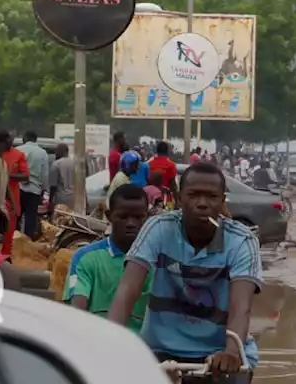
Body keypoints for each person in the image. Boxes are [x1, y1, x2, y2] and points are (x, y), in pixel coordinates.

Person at [109, 162, 263, 381]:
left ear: (222, 201)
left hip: (219, 355)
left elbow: (242, 307)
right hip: (160, 352)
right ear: (179, 198)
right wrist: (108, 341)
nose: (202, 204)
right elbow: (127, 290)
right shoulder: (158, 228)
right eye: (193, 195)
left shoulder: (242, 241)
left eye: (211, 197)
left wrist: (231, 351)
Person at [66, 183, 153, 332]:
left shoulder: (157, 261)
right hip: (97, 343)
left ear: (149, 217)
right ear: (109, 216)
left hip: (144, 349)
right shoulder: (85, 258)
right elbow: (77, 310)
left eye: (138, 217)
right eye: (123, 217)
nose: (131, 223)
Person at [16, 131, 51, 240]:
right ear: (36, 139)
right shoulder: (42, 153)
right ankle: (27, 241)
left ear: (24, 138)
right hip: (34, 189)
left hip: (17, 188)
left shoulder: (17, 150)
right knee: (30, 218)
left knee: (16, 216)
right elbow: (44, 174)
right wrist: (44, 189)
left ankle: (14, 240)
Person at [147, 140, 179, 206]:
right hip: (166, 199)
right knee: (169, 214)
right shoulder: (171, 165)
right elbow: (173, 185)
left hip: (151, 198)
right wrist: (177, 202)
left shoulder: (149, 164)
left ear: (157, 151)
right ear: (167, 151)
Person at [48, 142, 76, 213]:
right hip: (74, 198)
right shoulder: (74, 164)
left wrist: (50, 201)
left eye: (56, 151)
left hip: (61, 198)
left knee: (60, 220)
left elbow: (53, 186)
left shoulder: (56, 164)